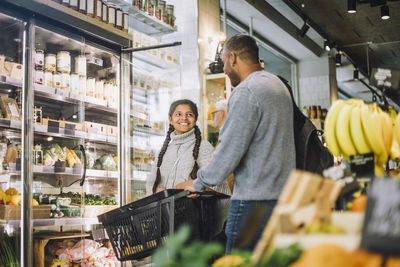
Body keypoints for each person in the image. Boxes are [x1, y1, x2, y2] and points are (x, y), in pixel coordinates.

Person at [185, 34, 296, 253]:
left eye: (225, 62)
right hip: (282, 200)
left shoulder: (246, 91)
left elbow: (230, 149)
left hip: (253, 204)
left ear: (233, 57)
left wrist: (199, 183)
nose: (225, 69)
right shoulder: (277, 85)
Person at [145, 99, 215, 195]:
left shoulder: (204, 147)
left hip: (194, 208)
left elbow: (215, 181)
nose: (184, 118)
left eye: (189, 114)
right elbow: (151, 184)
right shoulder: (164, 151)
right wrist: (156, 192)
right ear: (170, 119)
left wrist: (197, 187)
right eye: (178, 114)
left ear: (195, 119)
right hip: (166, 209)